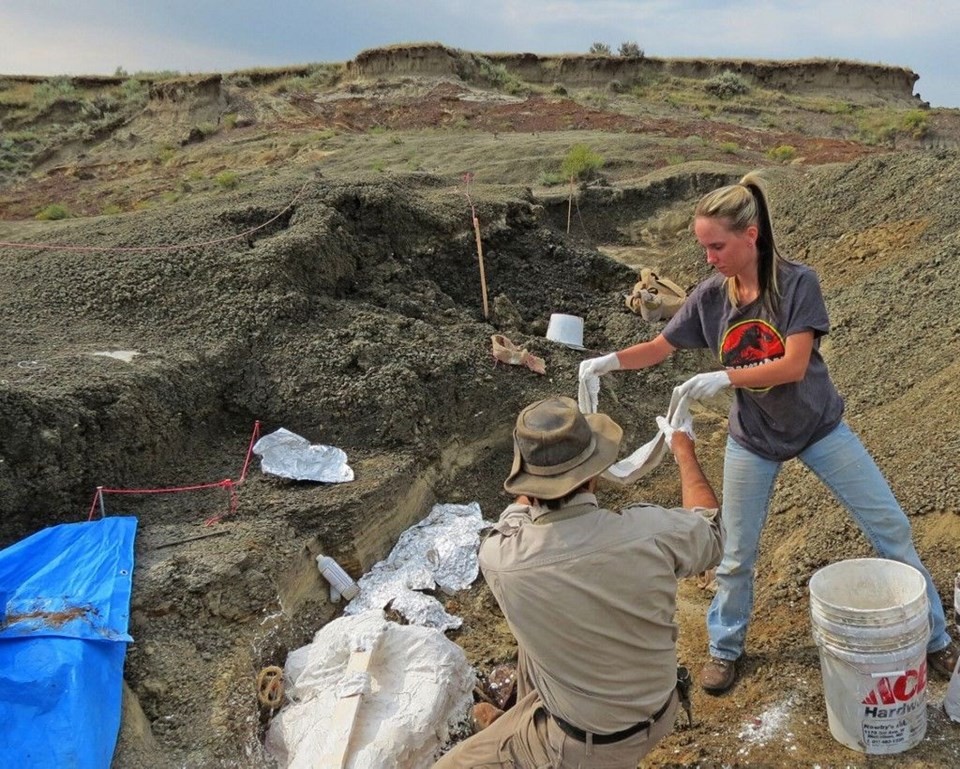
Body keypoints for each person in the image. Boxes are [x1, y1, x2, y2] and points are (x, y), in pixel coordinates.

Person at [578, 171, 958, 695]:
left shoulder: (797, 283)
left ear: (749, 237)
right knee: (736, 553)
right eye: (703, 247)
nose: (708, 258)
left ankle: (934, 636)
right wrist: (605, 363)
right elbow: (661, 347)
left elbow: (794, 364)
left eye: (717, 246)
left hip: (818, 427)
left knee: (890, 527)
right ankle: (725, 647)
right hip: (754, 438)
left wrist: (724, 376)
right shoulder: (710, 297)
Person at [433, 396, 723, 769]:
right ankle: (517, 720)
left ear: (527, 480)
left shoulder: (501, 559)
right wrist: (683, 449)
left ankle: (522, 732)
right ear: (593, 474)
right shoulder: (650, 533)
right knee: (532, 650)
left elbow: (517, 514)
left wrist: (543, 474)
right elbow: (712, 530)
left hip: (587, 746)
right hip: (658, 707)